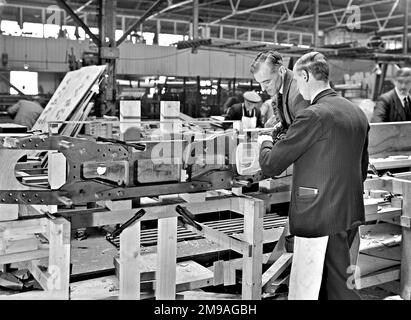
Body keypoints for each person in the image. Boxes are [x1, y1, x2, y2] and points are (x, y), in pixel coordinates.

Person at [257, 52, 369, 300]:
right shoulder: (357, 113)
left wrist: (265, 142)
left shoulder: (312, 115)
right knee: (340, 280)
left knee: (321, 288)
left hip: (320, 217)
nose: (297, 89)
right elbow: (362, 167)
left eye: (297, 81)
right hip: (349, 211)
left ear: (305, 76)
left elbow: (272, 165)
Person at [250, 51, 309, 133]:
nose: (263, 89)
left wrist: (267, 143)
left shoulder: (298, 93)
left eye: (266, 82)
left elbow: (303, 134)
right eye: (260, 83)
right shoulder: (279, 89)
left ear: (281, 71)